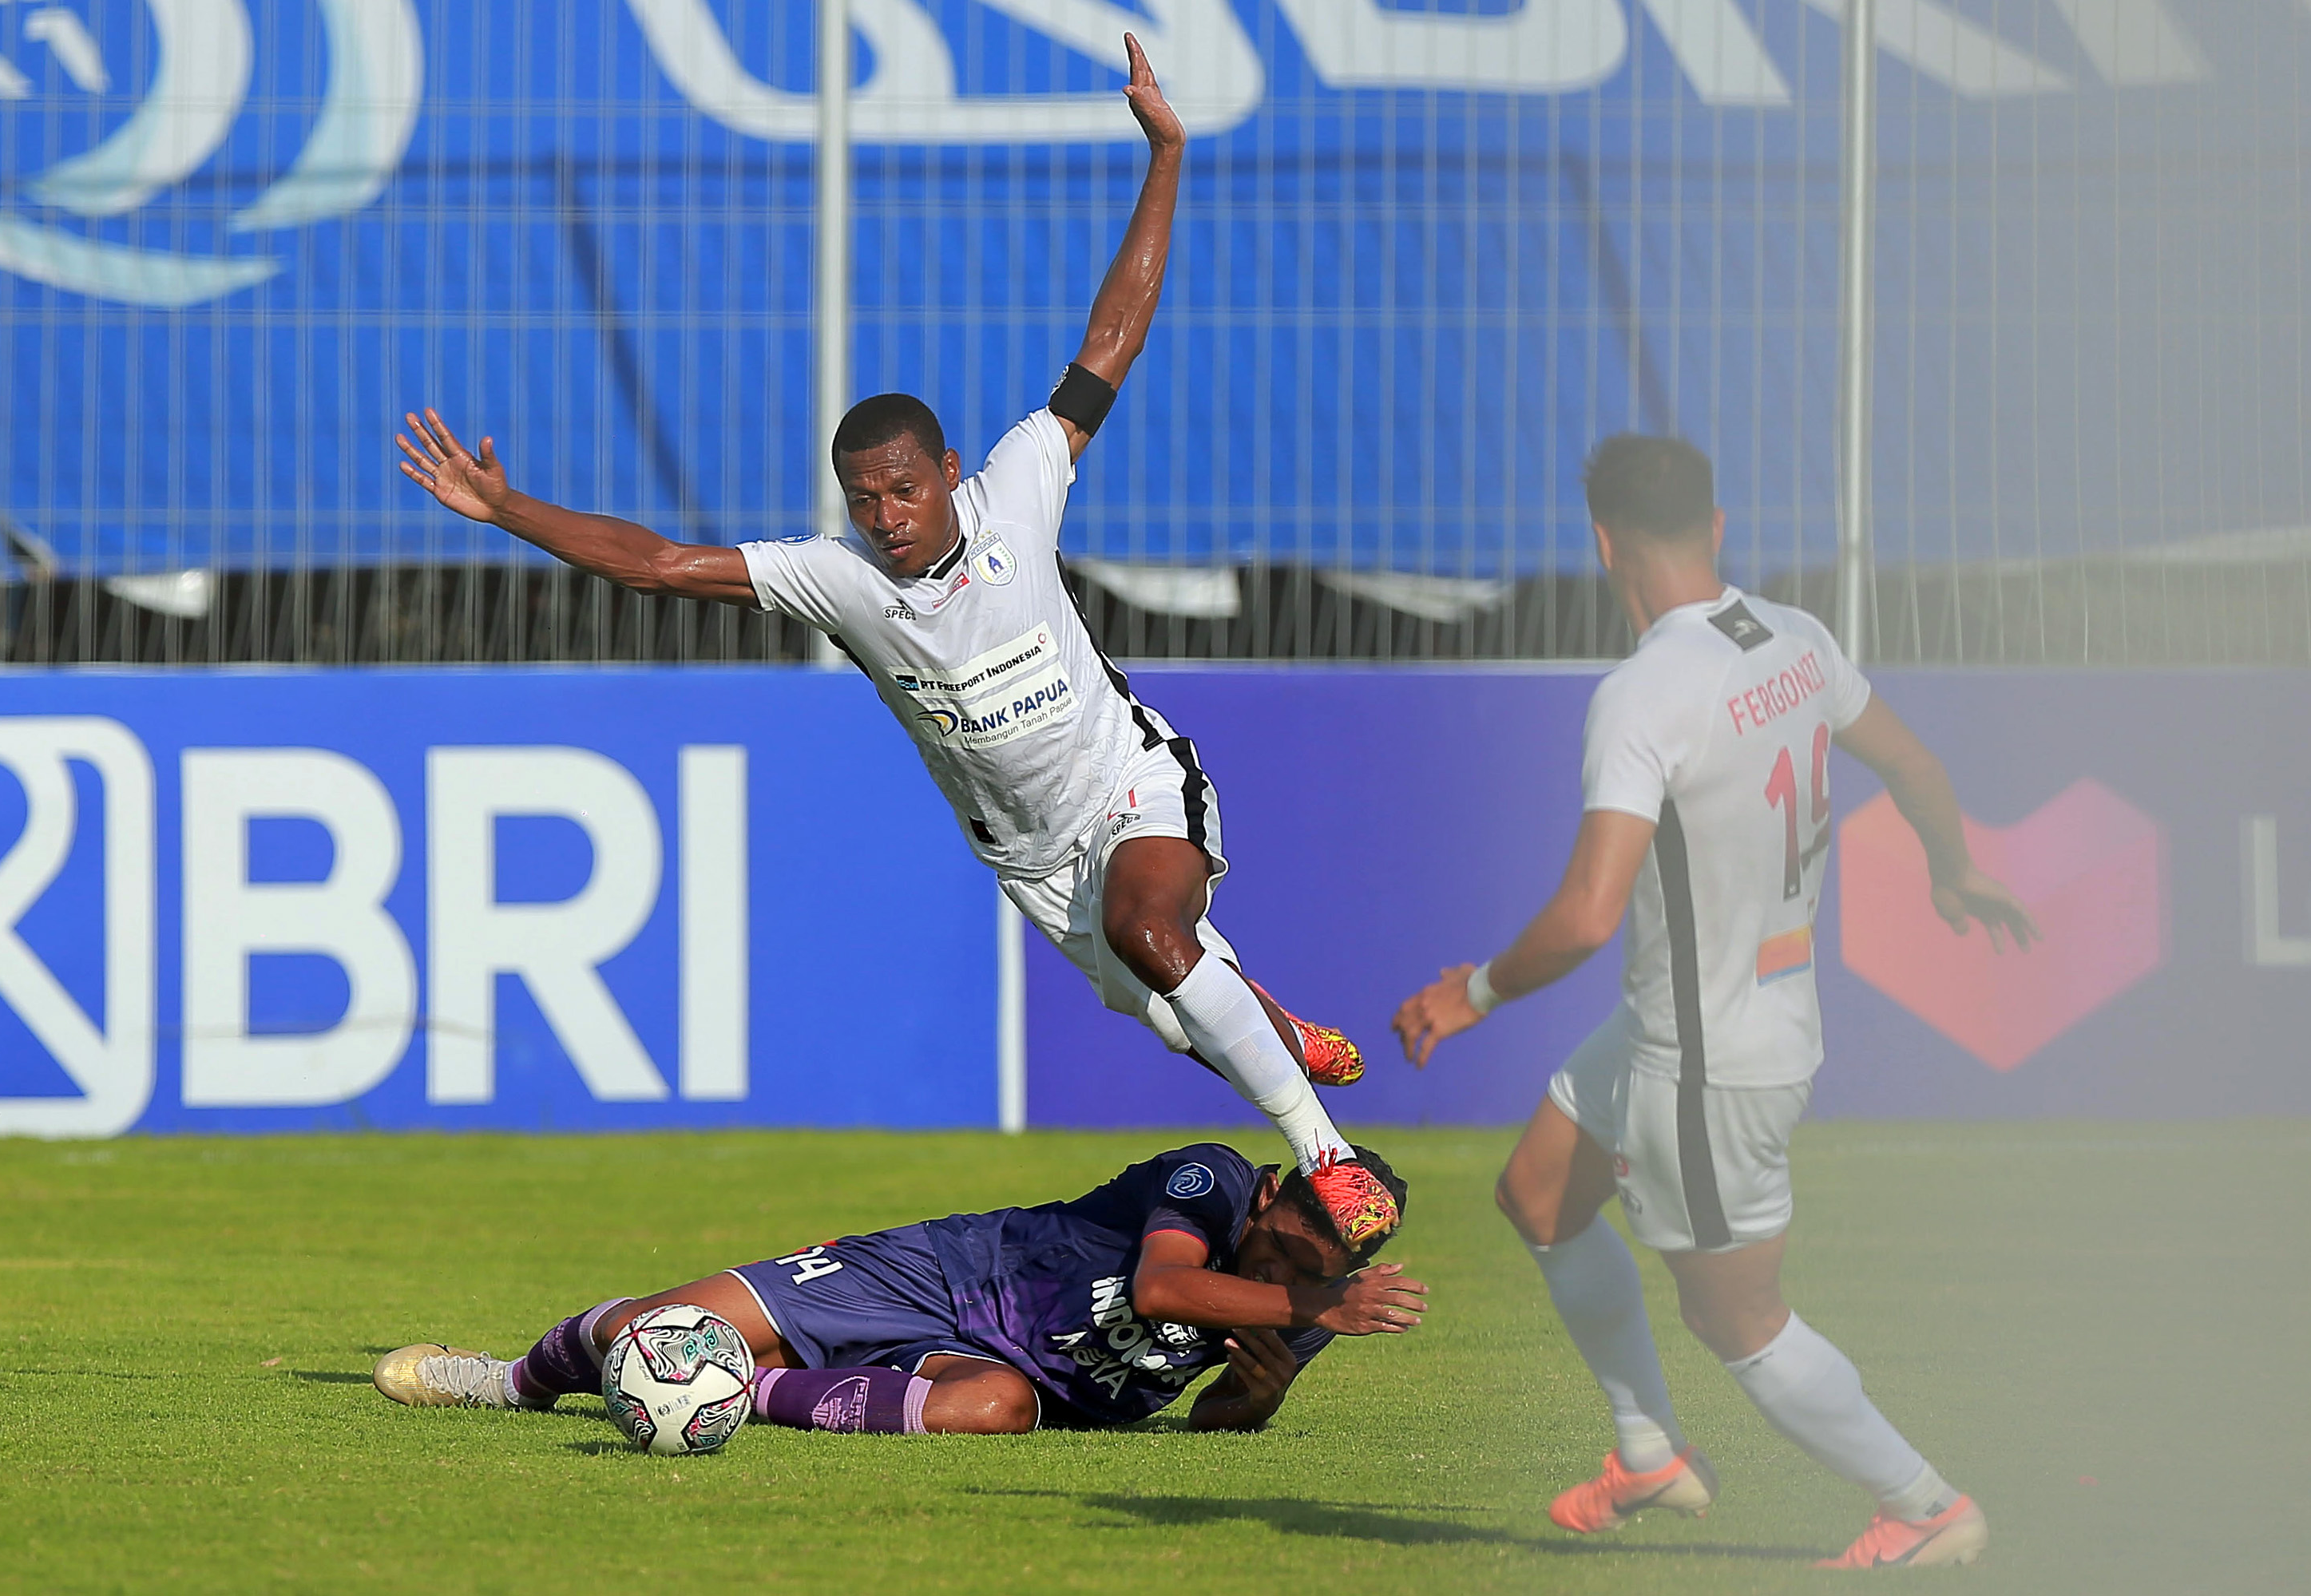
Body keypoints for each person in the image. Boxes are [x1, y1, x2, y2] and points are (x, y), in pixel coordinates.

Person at [391, 33, 1396, 1251]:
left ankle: (1327, 1160)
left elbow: (1114, 335)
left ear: (950, 474)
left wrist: (1167, 153)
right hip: (1030, 863)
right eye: (863, 500)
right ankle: (1275, 1032)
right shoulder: (838, 580)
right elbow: (655, 564)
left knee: (1157, 933)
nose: (886, 517)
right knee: (1187, 1016)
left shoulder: (1023, 485)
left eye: (904, 491)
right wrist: (509, 509)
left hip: (1132, 788)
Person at [1392, 436, 2039, 1570]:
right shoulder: (1795, 637)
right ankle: (1649, 1455)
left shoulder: (1644, 694)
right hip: (1706, 1020)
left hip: (1706, 1058)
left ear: (1603, 545)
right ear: (1719, 527)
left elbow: (1590, 913)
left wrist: (1475, 992)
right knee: (1539, 1192)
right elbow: (1919, 766)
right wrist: (1953, 866)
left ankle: (1926, 1504)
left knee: (1738, 1319)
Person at [372, 1143, 1419, 1435]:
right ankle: (509, 1380)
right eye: (1306, 1230)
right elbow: (1161, 1289)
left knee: (996, 1409)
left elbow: (1223, 1415)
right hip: (939, 1274)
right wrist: (1308, 1309)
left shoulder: (1318, 1299)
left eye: (1337, 1256)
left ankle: (732, 1390)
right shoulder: (1215, 1180)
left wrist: (1261, 1398)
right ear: (1278, 1191)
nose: (1312, 1258)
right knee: (662, 1327)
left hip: (1015, 1376)